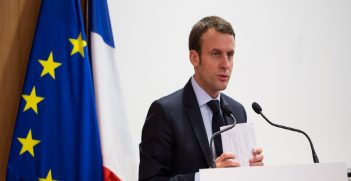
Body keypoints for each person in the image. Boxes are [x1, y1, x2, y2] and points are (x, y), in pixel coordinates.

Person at [139, 16, 264, 181]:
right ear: (194, 58)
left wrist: (252, 171)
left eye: (230, 54)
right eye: (216, 54)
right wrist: (205, 178)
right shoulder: (164, 112)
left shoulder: (236, 111)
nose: (225, 64)